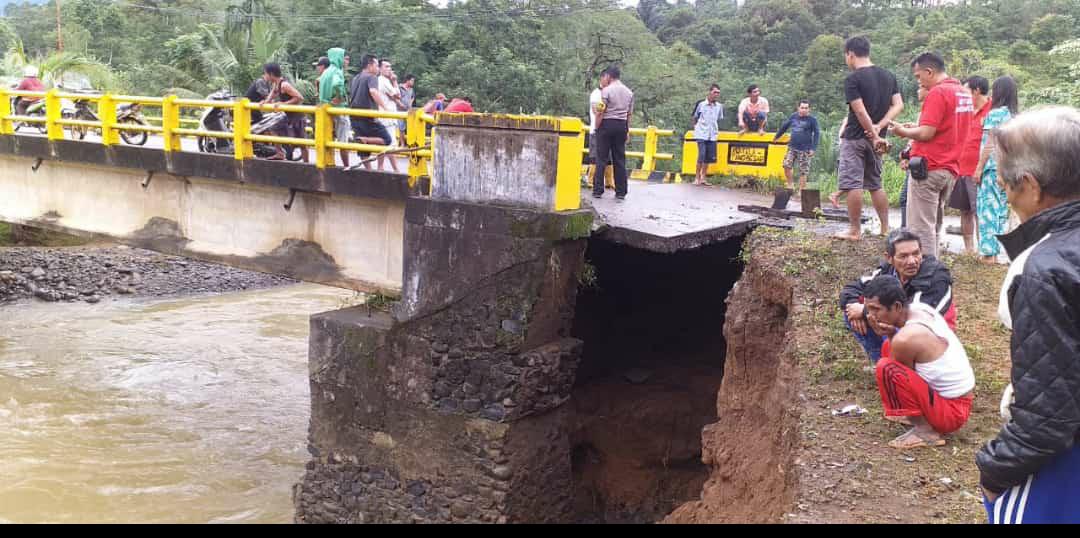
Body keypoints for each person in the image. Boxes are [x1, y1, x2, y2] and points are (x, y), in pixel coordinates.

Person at [975, 106, 1080, 524]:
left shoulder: (1046, 269)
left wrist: (994, 471)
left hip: (1064, 462)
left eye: (1006, 188)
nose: (1008, 199)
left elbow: (1046, 419)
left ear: (1032, 187)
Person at [862, 275, 975, 450]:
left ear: (897, 307)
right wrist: (890, 335)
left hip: (952, 412)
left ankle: (925, 431)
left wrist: (886, 334)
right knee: (887, 347)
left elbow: (902, 378)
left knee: (887, 369)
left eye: (876, 309)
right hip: (958, 402)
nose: (871, 315)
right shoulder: (919, 308)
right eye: (868, 310)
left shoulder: (906, 338)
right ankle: (916, 416)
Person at [890, 52, 974, 259]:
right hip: (950, 168)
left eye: (919, 76)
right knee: (933, 224)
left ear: (929, 71)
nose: (919, 81)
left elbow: (926, 133)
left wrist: (903, 131)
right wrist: (917, 127)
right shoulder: (963, 92)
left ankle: (925, 275)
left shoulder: (938, 93)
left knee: (920, 228)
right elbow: (946, 127)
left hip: (929, 168)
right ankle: (933, 268)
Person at [839, 229, 956, 364]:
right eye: (903, 256)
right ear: (889, 258)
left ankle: (902, 369)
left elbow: (919, 319)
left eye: (916, 253)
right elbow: (851, 289)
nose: (912, 261)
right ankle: (884, 363)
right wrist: (854, 306)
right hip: (899, 324)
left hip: (930, 333)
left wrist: (864, 311)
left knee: (903, 333)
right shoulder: (886, 271)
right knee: (851, 312)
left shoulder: (937, 277)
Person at [834, 36, 904, 241]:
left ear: (850, 54)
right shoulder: (888, 75)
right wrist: (879, 128)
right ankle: (885, 228)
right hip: (878, 139)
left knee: (853, 183)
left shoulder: (853, 79)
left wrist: (872, 133)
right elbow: (898, 105)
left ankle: (854, 231)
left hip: (856, 137)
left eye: (845, 56)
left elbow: (860, 112)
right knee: (875, 183)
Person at [972, 76, 1019, 264]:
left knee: (987, 210)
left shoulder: (996, 114)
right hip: (1008, 169)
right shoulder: (1015, 116)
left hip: (992, 169)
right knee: (999, 211)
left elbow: (990, 144)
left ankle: (988, 255)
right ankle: (995, 253)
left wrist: (978, 169)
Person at [950, 76, 992, 255]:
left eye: (966, 91)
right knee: (964, 210)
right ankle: (969, 250)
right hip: (960, 169)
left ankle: (984, 250)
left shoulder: (993, 110)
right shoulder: (964, 110)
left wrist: (980, 168)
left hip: (979, 170)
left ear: (976, 91)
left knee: (979, 211)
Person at [591, 66, 634, 201]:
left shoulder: (606, 91)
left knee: (601, 158)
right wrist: (627, 130)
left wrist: (597, 127)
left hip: (607, 125)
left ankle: (598, 190)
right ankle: (621, 191)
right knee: (619, 159)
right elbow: (629, 114)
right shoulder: (629, 92)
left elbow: (600, 111)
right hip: (621, 125)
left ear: (609, 76)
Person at [347, 54, 392, 170]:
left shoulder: (356, 78)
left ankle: (368, 170)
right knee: (386, 139)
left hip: (354, 116)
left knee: (363, 149)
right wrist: (385, 108)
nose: (378, 69)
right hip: (368, 116)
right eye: (377, 65)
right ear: (370, 65)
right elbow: (373, 91)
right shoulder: (371, 77)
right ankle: (380, 168)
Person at [896, 87, 930, 229]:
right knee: (906, 199)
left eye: (921, 87)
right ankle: (906, 229)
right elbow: (914, 139)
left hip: (923, 162)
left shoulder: (930, 111)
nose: (917, 90)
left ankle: (908, 231)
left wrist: (903, 131)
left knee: (909, 199)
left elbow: (923, 136)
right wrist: (905, 156)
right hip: (915, 160)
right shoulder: (922, 112)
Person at [262, 62, 307, 162]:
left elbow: (300, 97)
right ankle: (280, 153)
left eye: (265, 73)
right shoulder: (276, 84)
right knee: (273, 127)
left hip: (297, 116)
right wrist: (263, 102)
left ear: (271, 74)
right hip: (288, 116)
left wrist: (284, 104)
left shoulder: (284, 85)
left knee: (302, 143)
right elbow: (271, 96)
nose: (265, 76)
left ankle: (307, 164)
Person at [773, 100, 821, 191]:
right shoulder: (793, 116)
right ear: (798, 108)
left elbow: (817, 134)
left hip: (805, 149)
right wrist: (776, 137)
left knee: (803, 171)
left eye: (806, 108)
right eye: (802, 108)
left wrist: (813, 148)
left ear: (809, 109)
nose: (804, 110)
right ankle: (790, 185)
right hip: (792, 147)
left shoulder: (812, 120)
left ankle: (801, 190)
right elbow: (785, 126)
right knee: (786, 165)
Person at [318, 49, 351, 169]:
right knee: (343, 140)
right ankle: (347, 166)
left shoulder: (326, 72)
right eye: (344, 58)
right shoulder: (337, 71)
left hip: (326, 110)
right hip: (338, 110)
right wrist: (339, 96)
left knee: (328, 139)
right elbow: (337, 84)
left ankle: (328, 162)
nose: (346, 61)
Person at [690, 84, 724, 186]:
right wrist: (696, 128)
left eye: (718, 92)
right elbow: (694, 117)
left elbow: (718, 118)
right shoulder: (701, 104)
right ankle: (696, 178)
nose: (716, 94)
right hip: (701, 133)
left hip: (712, 134)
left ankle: (703, 177)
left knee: (708, 157)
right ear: (710, 92)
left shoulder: (719, 106)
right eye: (715, 92)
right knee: (701, 155)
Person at [587, 82, 615, 191]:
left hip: (607, 130)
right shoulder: (596, 93)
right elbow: (595, 111)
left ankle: (609, 182)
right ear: (602, 79)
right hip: (596, 129)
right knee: (595, 156)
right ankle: (590, 181)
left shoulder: (610, 93)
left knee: (609, 157)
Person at [377, 59, 402, 173]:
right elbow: (398, 95)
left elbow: (394, 97)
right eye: (386, 67)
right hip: (388, 116)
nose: (389, 69)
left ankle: (380, 167)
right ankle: (396, 170)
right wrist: (395, 81)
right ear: (380, 68)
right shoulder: (384, 81)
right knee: (391, 143)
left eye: (390, 67)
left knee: (383, 142)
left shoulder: (379, 80)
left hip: (383, 115)